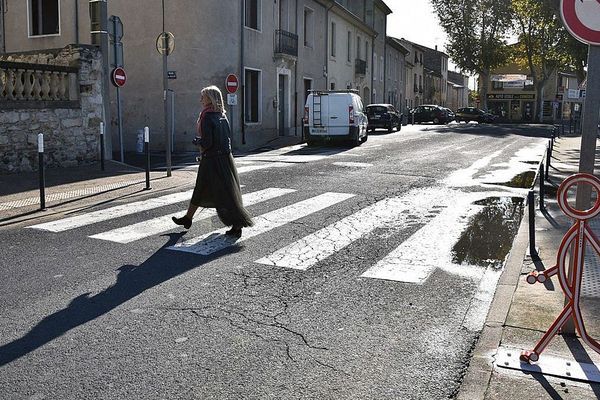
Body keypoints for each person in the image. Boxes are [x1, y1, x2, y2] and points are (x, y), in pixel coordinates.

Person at [172, 85, 253, 237]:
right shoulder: (222, 115)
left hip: (211, 160)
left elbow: (207, 142)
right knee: (211, 189)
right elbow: (227, 137)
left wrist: (197, 141)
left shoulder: (207, 116)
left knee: (221, 193)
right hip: (225, 158)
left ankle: (237, 225)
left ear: (210, 99)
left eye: (203, 96)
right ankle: (188, 218)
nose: (200, 99)